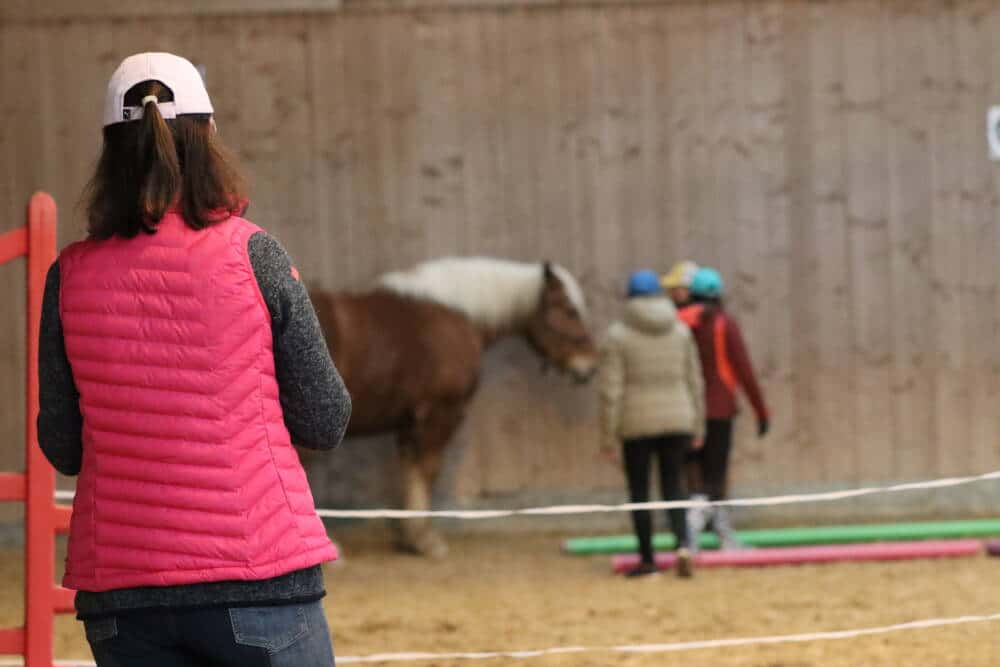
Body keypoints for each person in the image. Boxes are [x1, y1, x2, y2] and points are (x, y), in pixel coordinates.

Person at [36, 52, 351, 667]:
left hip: (122, 596)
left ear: (111, 151)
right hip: (258, 578)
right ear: (209, 135)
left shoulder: (67, 276)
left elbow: (65, 446)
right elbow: (325, 418)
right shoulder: (255, 254)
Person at [599, 270, 705, 578]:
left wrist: (607, 437)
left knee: (640, 493)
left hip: (635, 423)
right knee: (675, 486)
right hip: (678, 419)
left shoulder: (617, 335)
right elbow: (694, 381)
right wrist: (698, 426)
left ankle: (647, 561)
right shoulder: (681, 331)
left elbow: (611, 391)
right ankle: (683, 545)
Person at [679, 267, 768, 552]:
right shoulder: (723, 324)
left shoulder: (678, 323)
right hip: (718, 410)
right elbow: (743, 370)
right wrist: (761, 411)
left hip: (686, 411)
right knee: (714, 478)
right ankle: (698, 536)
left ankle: (703, 535)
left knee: (693, 476)